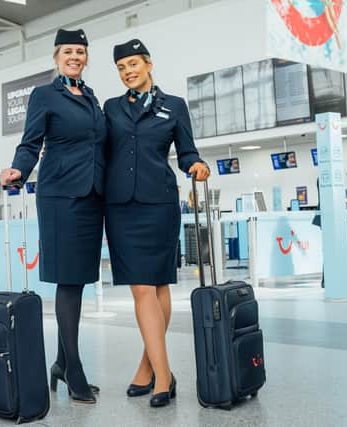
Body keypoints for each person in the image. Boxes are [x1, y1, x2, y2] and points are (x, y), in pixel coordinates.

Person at [0, 28, 105, 404]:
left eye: (81, 51)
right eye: (68, 52)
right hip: (60, 196)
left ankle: (61, 362)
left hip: (92, 197)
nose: (75, 56)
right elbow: (31, 142)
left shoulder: (92, 98)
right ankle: (73, 368)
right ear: (57, 57)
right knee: (67, 280)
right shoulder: (44, 95)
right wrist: (18, 169)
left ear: (86, 57)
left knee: (78, 280)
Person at [103, 39, 209, 408]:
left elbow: (187, 150)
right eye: (121, 67)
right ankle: (162, 374)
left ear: (148, 64)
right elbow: (100, 151)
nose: (128, 71)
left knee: (159, 286)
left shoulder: (174, 106)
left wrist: (197, 165)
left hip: (160, 205)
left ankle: (152, 369)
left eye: (133, 64)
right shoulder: (111, 108)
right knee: (141, 289)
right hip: (120, 207)